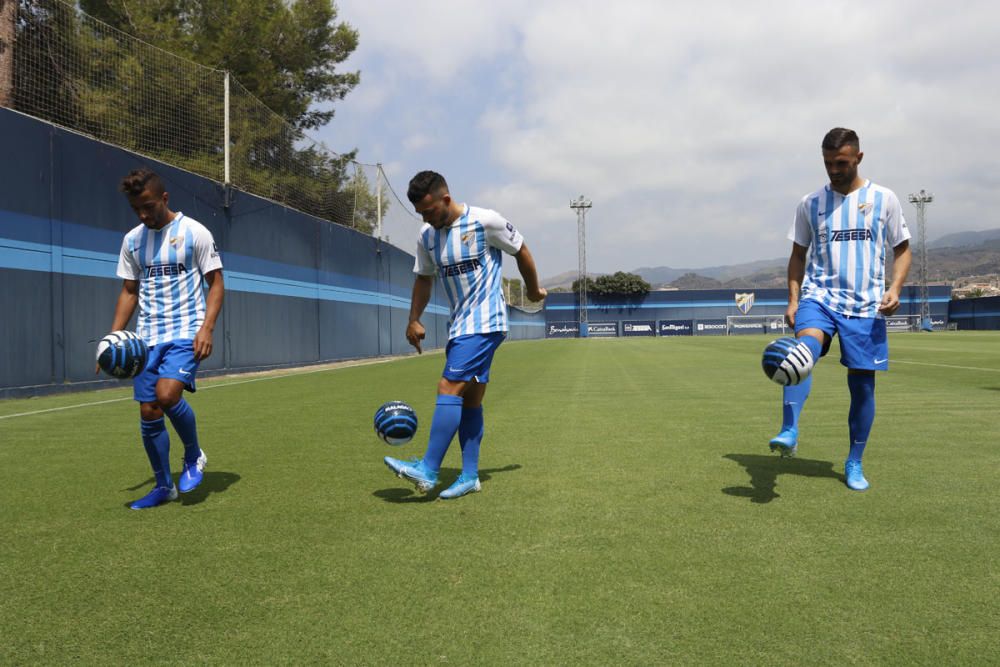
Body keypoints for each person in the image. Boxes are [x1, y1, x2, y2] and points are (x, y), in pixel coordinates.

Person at [384, 171, 547, 499]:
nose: (426, 218)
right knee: (471, 398)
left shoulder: (486, 222)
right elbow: (424, 279)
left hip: (486, 322)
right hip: (459, 324)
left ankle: (428, 469)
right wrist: (413, 319)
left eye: (430, 211)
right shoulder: (427, 236)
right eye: (421, 214)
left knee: (449, 387)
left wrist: (532, 290)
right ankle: (470, 476)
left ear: (445, 199)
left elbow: (521, 251)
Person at [769, 128, 911, 491]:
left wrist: (894, 289)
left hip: (865, 307)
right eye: (828, 163)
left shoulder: (884, 199)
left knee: (862, 388)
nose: (834, 170)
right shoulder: (810, 204)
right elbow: (798, 255)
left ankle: (854, 461)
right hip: (820, 297)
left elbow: (902, 249)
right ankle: (789, 428)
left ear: (858, 158)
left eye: (841, 163)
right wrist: (793, 298)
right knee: (804, 350)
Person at [107, 168, 224, 509]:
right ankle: (163, 487)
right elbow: (129, 291)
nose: (143, 215)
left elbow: (216, 282)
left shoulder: (194, 232)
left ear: (164, 199)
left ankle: (193, 454)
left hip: (186, 331)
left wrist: (207, 327)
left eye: (148, 206)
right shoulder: (132, 240)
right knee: (149, 410)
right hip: (146, 339)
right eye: (136, 209)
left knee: (167, 394)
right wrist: (115, 338)